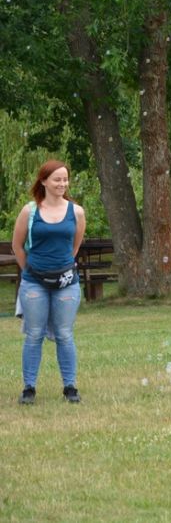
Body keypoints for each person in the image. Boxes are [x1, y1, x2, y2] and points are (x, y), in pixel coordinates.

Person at [11, 160, 87, 405]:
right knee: (34, 334)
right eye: (57, 179)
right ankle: (29, 389)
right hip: (34, 283)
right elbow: (17, 246)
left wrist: (59, 269)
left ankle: (70, 388)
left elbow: (74, 247)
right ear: (43, 181)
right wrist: (31, 271)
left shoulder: (76, 212)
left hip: (66, 283)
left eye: (65, 179)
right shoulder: (30, 211)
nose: (62, 184)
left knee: (64, 334)